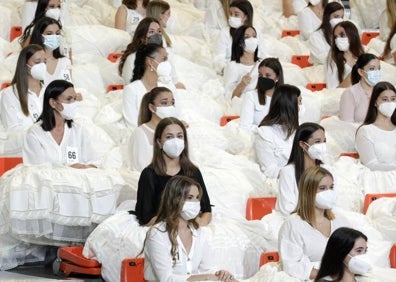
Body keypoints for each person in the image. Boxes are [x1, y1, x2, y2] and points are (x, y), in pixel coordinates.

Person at [143, 175, 235, 281]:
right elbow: (166, 279)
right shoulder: (157, 234)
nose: (195, 203)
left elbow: (206, 269)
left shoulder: (199, 232)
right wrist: (208, 277)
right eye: (189, 198)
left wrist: (219, 274)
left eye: (197, 198)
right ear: (175, 199)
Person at [135, 117, 212, 227]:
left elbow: (207, 210)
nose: (176, 141)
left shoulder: (193, 171)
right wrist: (176, 225)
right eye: (169, 137)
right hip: (164, 229)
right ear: (159, 142)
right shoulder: (149, 175)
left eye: (180, 136)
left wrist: (200, 224)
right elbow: (146, 217)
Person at [278, 166, 348, 280]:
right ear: (308, 192)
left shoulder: (340, 220)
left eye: (331, 187)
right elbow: (292, 265)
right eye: (322, 188)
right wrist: (329, 276)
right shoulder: (292, 224)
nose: (329, 193)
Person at [22, 80, 101, 168]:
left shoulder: (79, 130)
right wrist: (69, 170)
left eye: (75, 99)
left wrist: (84, 167)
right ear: (53, 103)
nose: (73, 104)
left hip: (77, 181)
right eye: (69, 99)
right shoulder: (34, 133)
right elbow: (34, 171)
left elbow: (94, 163)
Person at [277, 123, 328, 216]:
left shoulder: (327, 170)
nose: (322, 145)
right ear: (303, 145)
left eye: (324, 141)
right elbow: (287, 208)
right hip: (297, 221)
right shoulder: (288, 172)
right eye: (318, 142)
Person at [122, 43, 176, 128]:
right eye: (164, 59)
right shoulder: (131, 90)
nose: (167, 64)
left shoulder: (168, 86)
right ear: (150, 61)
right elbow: (132, 123)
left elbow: (177, 115)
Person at [255, 84, 302, 178]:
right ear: (289, 105)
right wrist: (298, 172)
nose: (301, 107)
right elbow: (269, 171)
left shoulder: (297, 129)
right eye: (299, 102)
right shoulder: (264, 133)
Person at [128, 87, 177, 171]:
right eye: (164, 103)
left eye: (172, 103)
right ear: (152, 107)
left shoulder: (177, 130)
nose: (170, 107)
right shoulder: (140, 133)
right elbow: (140, 166)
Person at [0, 44, 46, 131]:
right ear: (25, 64)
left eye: (45, 62)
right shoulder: (9, 95)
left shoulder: (50, 92)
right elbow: (13, 132)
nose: (43, 65)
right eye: (37, 62)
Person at [355, 81, 396, 171]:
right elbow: (371, 165)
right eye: (385, 99)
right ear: (375, 102)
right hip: (381, 179)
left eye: (393, 99)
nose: (390, 103)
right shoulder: (365, 131)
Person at [146, 0, 185, 89]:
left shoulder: (161, 34)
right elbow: (162, 62)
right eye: (168, 14)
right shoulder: (156, 38)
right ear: (161, 15)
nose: (169, 17)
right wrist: (174, 83)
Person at [239, 58, 284, 131]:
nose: (263, 78)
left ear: (277, 77)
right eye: (260, 75)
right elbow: (245, 127)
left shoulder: (286, 98)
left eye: (268, 75)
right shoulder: (251, 96)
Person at [118, 17, 163, 84]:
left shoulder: (164, 58)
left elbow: (173, 82)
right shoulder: (132, 59)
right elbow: (132, 86)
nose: (156, 35)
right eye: (151, 32)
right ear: (142, 37)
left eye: (159, 31)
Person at [214, 0, 254, 73]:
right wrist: (225, 70)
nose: (232, 17)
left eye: (236, 14)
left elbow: (262, 55)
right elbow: (219, 57)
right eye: (230, 14)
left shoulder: (255, 33)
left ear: (246, 16)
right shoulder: (225, 33)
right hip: (231, 70)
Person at [29, 16, 72, 86]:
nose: (54, 37)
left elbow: (68, 87)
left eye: (57, 33)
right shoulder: (31, 61)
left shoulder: (65, 62)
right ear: (40, 36)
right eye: (49, 34)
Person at [339, 53, 381, 123]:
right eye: (372, 69)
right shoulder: (350, 93)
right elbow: (346, 125)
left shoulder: (382, 91)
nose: (376, 72)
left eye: (378, 68)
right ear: (361, 72)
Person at [223, 25, 260, 100]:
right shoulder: (233, 66)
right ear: (239, 42)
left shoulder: (262, 63)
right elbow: (229, 98)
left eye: (254, 36)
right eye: (247, 37)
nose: (252, 40)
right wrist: (242, 85)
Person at [325, 21, 364, 89]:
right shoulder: (332, 60)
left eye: (342, 35)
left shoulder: (362, 56)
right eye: (335, 37)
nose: (338, 39)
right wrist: (353, 74)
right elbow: (333, 90)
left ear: (352, 35)